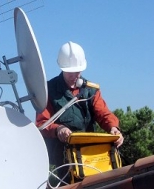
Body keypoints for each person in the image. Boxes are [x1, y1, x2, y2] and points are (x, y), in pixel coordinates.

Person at [36, 41, 124, 184]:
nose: (75, 75)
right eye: (71, 72)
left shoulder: (90, 89)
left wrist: (113, 128)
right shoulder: (49, 90)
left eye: (78, 71)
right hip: (64, 158)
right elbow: (42, 123)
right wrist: (58, 129)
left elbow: (103, 113)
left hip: (90, 155)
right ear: (62, 68)